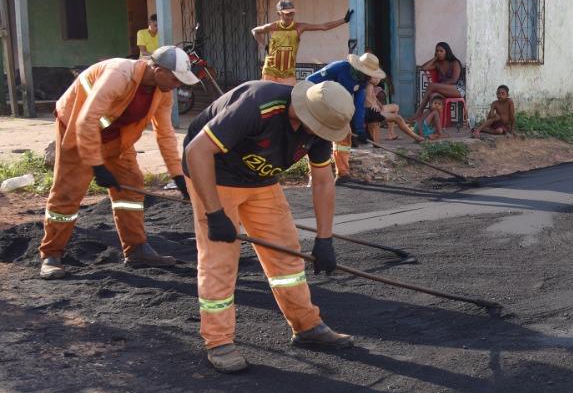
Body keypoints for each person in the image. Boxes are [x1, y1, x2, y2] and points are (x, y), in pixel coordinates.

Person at [183, 79, 356, 374]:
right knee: (220, 261)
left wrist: (325, 239)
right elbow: (197, 151)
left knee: (287, 254)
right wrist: (214, 214)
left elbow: (324, 181)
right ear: (302, 111)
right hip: (215, 174)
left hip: (261, 181)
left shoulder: (320, 127)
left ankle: (306, 326)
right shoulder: (257, 106)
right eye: (315, 127)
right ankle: (219, 341)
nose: (317, 135)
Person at [38, 47, 200, 280]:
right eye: (174, 78)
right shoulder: (119, 75)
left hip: (116, 136)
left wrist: (177, 176)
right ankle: (51, 255)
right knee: (67, 193)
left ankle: (136, 249)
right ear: (157, 69)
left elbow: (164, 133)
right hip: (76, 128)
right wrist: (97, 165)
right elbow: (87, 120)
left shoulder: (162, 92)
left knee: (131, 184)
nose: (177, 84)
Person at [305, 51, 385, 182]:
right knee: (316, 137)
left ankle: (343, 174)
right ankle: (313, 178)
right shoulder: (339, 68)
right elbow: (310, 81)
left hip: (337, 106)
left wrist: (359, 129)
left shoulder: (362, 81)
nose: (370, 78)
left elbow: (358, 106)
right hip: (317, 101)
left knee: (345, 135)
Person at [251, 0, 352, 85]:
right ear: (279, 14)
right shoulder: (272, 27)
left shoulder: (299, 27)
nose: (290, 17)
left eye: (292, 13)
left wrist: (344, 20)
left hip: (288, 73)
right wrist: (265, 46)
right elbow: (254, 31)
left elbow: (323, 27)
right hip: (270, 70)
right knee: (269, 101)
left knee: (290, 99)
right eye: (287, 14)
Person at [413, 42, 465, 120]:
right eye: (437, 51)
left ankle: (418, 113)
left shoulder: (454, 62)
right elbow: (423, 68)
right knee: (433, 95)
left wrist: (437, 86)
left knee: (431, 86)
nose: (438, 53)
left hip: (458, 90)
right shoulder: (438, 64)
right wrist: (434, 58)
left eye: (441, 51)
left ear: (446, 52)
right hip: (444, 90)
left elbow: (454, 80)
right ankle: (431, 121)